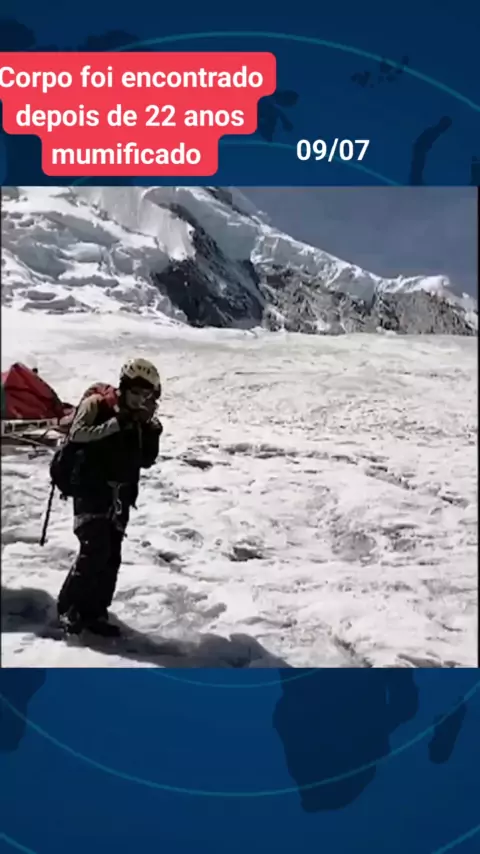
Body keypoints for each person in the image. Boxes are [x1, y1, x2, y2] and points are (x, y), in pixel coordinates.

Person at [56, 357, 163, 637]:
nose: (139, 399)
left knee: (111, 556)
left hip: (119, 494)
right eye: (136, 392)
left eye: (145, 395)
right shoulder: (97, 405)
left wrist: (151, 430)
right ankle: (69, 608)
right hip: (90, 488)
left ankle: (95, 612)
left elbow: (145, 459)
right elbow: (77, 434)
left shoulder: (139, 418)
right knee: (95, 550)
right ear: (124, 387)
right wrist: (116, 424)